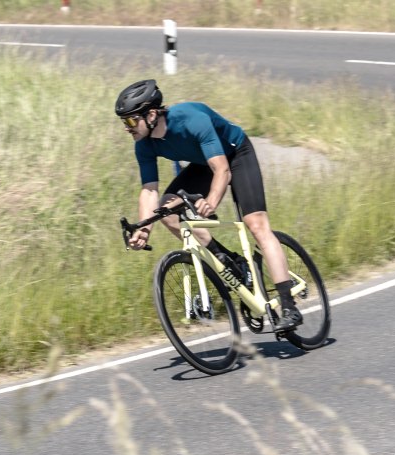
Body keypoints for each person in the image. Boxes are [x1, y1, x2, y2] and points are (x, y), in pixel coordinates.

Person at [117, 79, 303, 330]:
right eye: (123, 122)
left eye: (130, 120)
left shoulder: (191, 119)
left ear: (151, 115)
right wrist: (144, 229)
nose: (127, 128)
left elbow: (223, 170)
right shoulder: (144, 145)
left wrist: (211, 201)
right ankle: (229, 261)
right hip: (205, 165)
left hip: (236, 155)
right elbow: (149, 190)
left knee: (256, 225)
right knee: (167, 211)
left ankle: (288, 306)